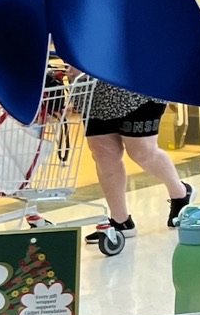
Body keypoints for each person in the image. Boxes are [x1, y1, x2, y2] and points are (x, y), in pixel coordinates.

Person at [82, 81, 193, 245]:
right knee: (103, 153)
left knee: (142, 151)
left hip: (138, 82)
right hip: (94, 86)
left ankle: (180, 192)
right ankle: (120, 221)